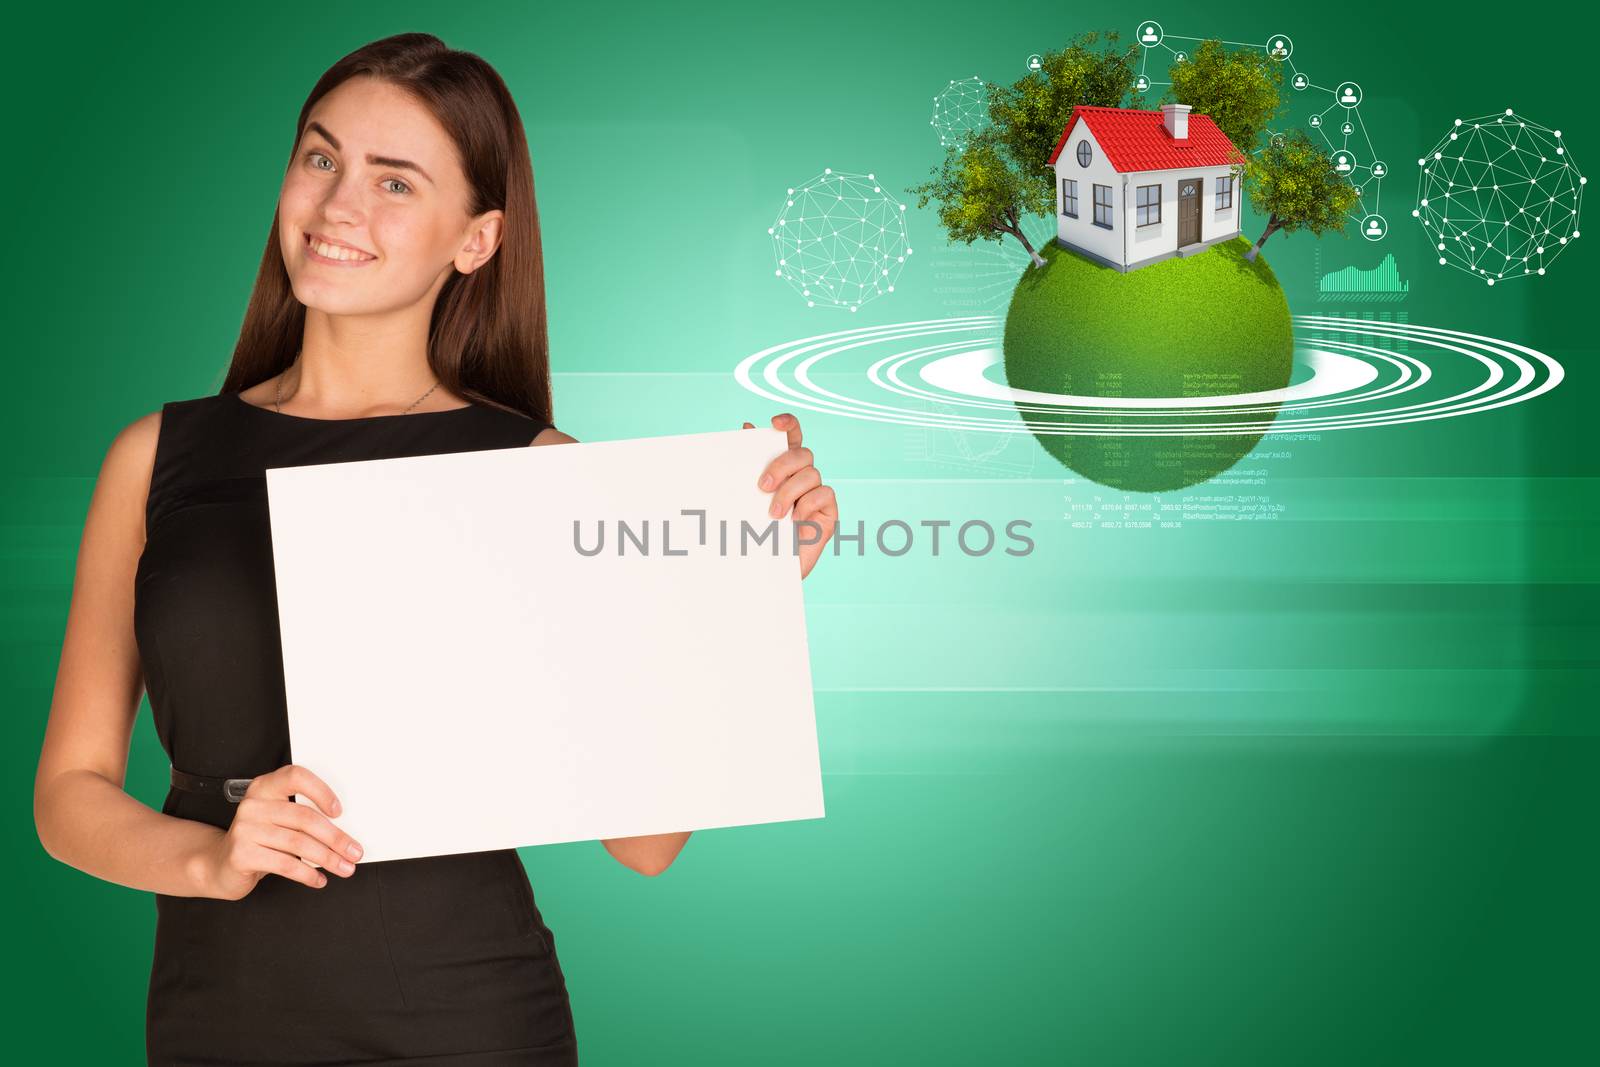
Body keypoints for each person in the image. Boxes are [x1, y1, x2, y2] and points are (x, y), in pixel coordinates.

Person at [31, 32, 838, 1065]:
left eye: (395, 181)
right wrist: (210, 859)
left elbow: (642, 844)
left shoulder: (536, 468)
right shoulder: (154, 456)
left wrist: (740, 593)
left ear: (477, 238)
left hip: (465, 1018)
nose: (337, 207)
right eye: (320, 158)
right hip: (213, 1011)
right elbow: (70, 793)